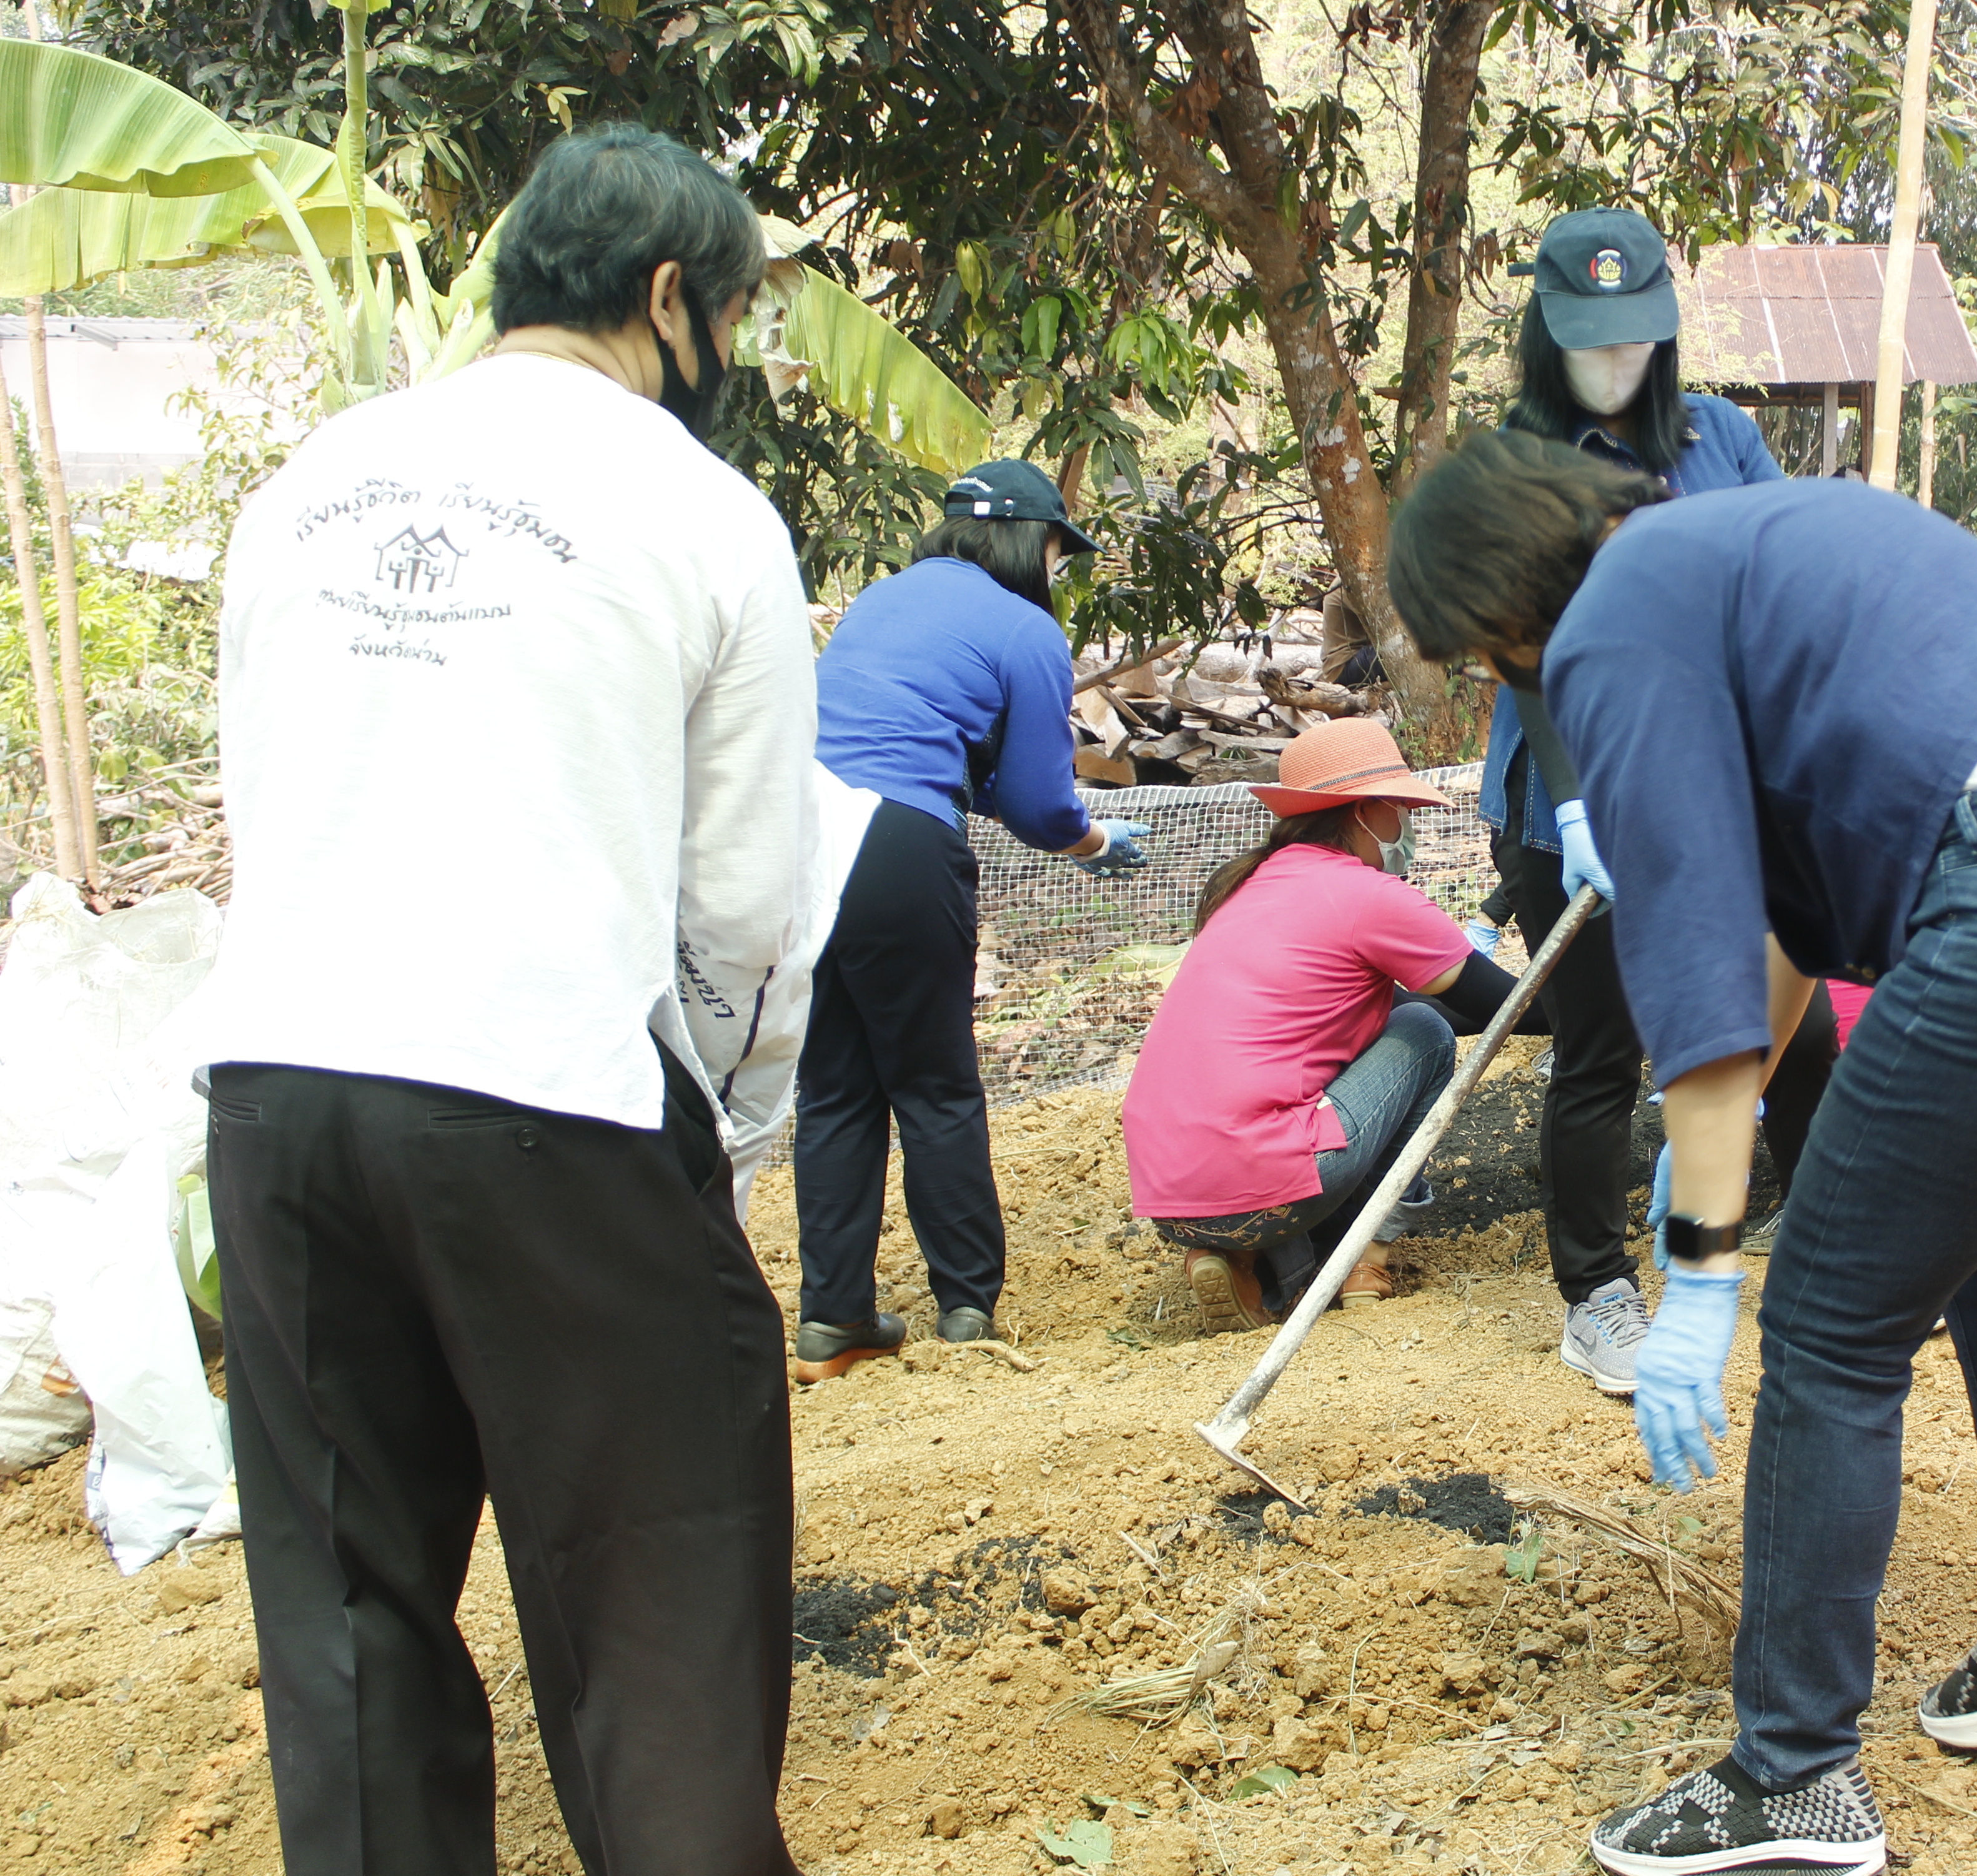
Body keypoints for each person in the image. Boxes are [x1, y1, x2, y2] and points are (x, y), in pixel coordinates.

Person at [1390, 432, 1977, 1876]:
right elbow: (1758, 934)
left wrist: (1698, 1265)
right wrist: (1734, 1117)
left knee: (1826, 1312)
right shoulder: (1756, 537)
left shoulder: (1614, 619)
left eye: (1486, 652)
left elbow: (1686, 949)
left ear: (1502, 613)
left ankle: (1794, 1774)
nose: (1509, 677)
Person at [186, 124, 811, 1874]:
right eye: (740, 318)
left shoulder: (315, 474)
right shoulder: (702, 511)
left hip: (278, 1095)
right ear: (672, 298)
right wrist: (730, 1143)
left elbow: (276, 791)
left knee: (349, 1618)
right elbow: (749, 908)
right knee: (653, 1601)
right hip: (543, 1090)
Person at [1477, 204, 1841, 1395]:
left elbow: (1782, 577)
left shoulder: (1721, 436)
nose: (1614, 360)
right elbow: (1526, 656)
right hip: (1567, 800)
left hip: (1716, 788)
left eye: (1633, 336)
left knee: (1790, 1019)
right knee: (1603, 1045)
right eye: (1591, 338)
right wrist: (1579, 809)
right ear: (1548, 330)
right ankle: (1594, 1295)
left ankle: (1847, 1247)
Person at [791, 459, 1149, 1377]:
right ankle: (965, 1309)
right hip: (900, 848)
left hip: (796, 842)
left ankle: (834, 1321)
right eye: (1059, 552)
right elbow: (1037, 802)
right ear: (1032, 542)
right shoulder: (1025, 628)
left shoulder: (878, 602)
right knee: (934, 1085)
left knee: (835, 1086)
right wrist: (1095, 841)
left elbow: (917, 743)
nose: (1057, 570)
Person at [1123, 718, 1540, 1326]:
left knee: (1389, 1034)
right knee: (1427, 1034)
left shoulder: (1249, 888)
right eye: (1398, 807)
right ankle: (1365, 1257)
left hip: (1167, 1197)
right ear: (1363, 812)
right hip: (1261, 1181)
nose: (1407, 824)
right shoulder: (1369, 896)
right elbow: (1509, 1006)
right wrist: (1616, 1014)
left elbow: (1381, 1014)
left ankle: (1238, 1261)